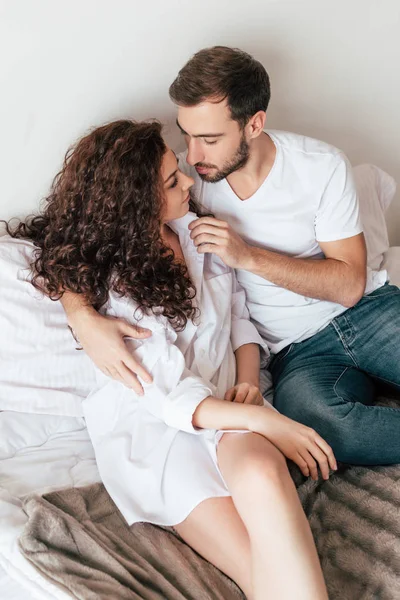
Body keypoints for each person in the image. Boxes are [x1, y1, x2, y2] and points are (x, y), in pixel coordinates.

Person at [6, 120, 334, 599]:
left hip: (227, 404)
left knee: (263, 473)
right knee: (259, 573)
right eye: (172, 180)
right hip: (155, 434)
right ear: (135, 204)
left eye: (178, 169)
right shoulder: (118, 285)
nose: (188, 181)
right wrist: (272, 424)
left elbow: (240, 317)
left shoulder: (199, 232)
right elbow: (171, 399)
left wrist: (251, 386)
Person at [61, 46, 400, 466]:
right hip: (295, 351)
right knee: (330, 432)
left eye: (210, 138)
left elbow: (349, 286)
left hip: (368, 313)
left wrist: (249, 257)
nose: (194, 154)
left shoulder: (321, 167)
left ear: (254, 124)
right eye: (187, 134)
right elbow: (75, 234)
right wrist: (80, 314)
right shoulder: (183, 184)